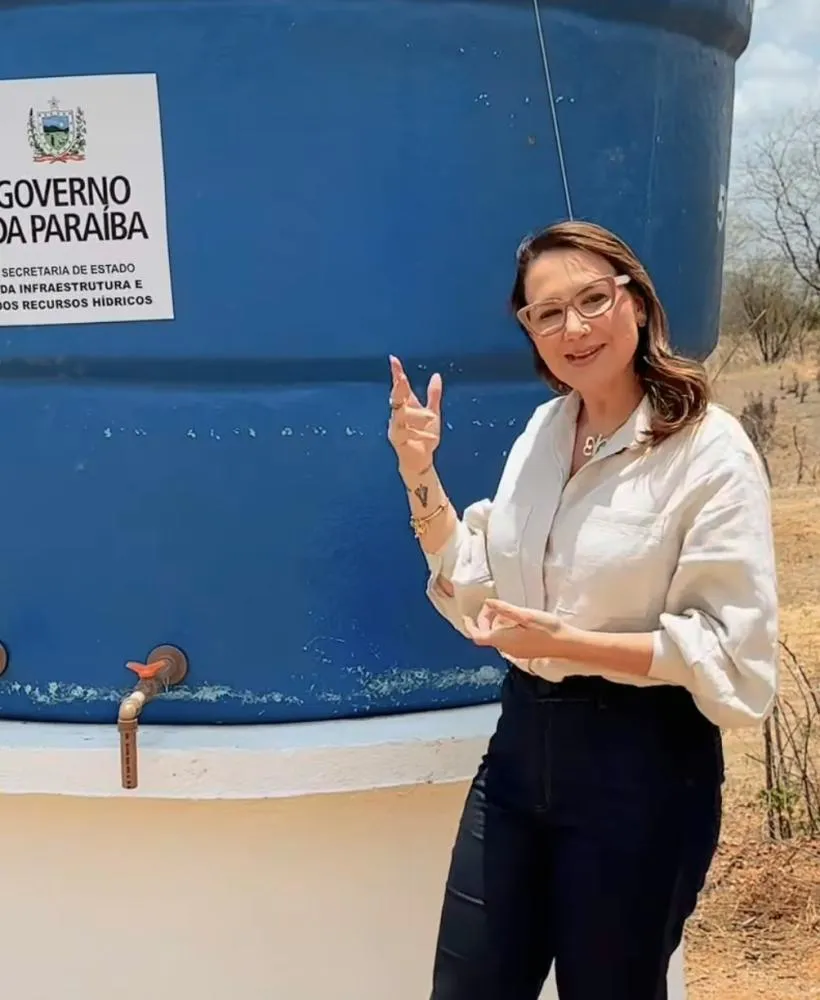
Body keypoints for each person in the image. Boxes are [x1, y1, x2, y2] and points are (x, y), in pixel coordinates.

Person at [386, 220, 778, 1000]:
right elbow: (478, 581)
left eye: (592, 299)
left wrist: (580, 643)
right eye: (546, 313)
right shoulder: (543, 431)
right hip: (523, 748)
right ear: (530, 331)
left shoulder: (708, 452)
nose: (574, 328)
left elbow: (734, 655)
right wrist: (418, 471)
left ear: (636, 303)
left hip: (642, 764)